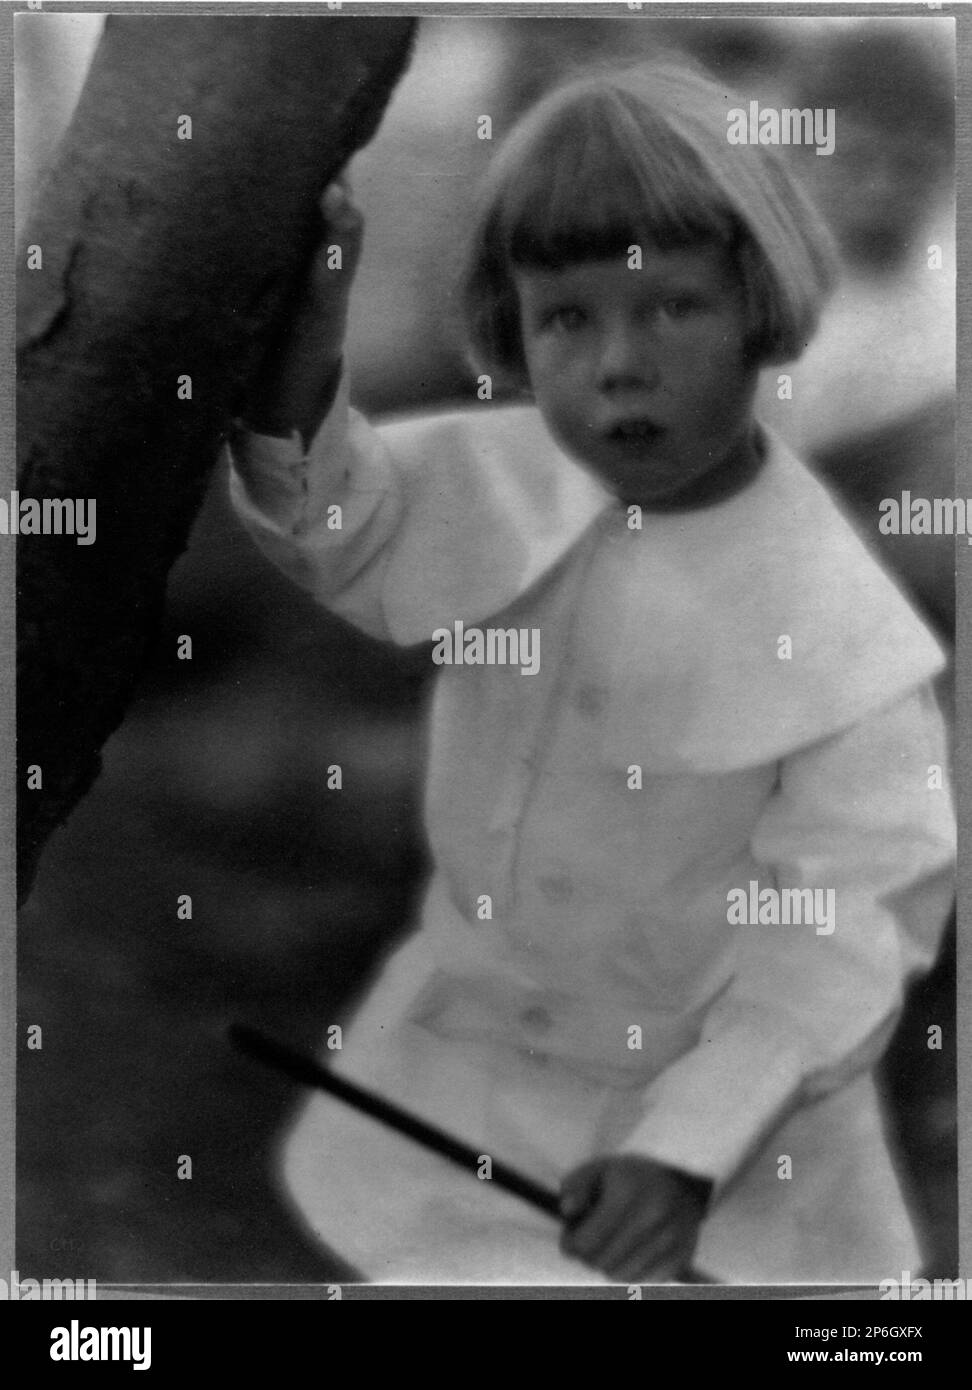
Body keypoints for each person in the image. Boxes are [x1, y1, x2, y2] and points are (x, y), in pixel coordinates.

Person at [225, 61, 955, 1285]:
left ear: (761, 312)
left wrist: (690, 1146)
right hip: (462, 1098)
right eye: (568, 318)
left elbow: (848, 917)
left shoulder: (839, 627)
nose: (618, 364)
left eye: (672, 309)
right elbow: (339, 514)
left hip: (723, 1154)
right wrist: (303, 343)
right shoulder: (509, 472)